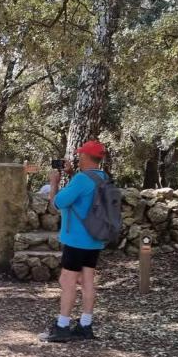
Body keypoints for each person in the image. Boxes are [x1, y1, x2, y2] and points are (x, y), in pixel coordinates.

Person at [39, 140, 109, 343]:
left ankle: (62, 326)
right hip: (95, 239)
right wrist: (70, 176)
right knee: (87, 281)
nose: (78, 158)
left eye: (81, 155)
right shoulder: (103, 178)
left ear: (86, 157)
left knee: (67, 281)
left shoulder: (81, 179)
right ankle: (86, 325)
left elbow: (57, 203)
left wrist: (53, 183)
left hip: (77, 239)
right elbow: (85, 196)